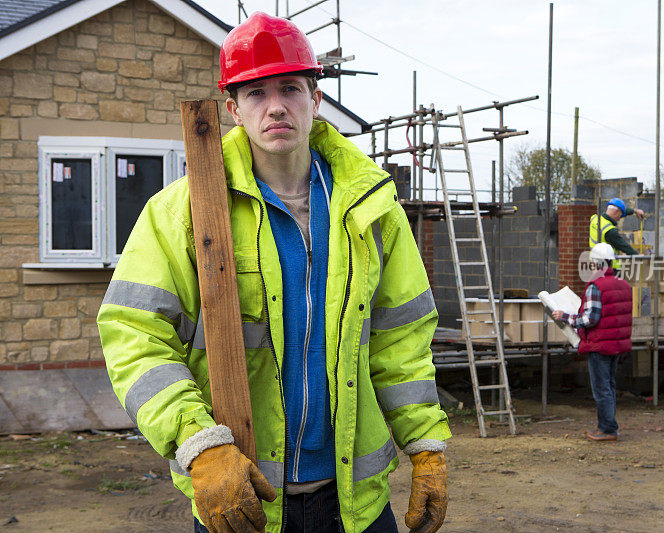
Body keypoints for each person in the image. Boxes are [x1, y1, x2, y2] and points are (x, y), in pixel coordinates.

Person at [97, 12, 450, 533]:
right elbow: (133, 334)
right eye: (257, 92)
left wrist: (425, 446)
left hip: (353, 503)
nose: (276, 105)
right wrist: (198, 444)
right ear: (233, 109)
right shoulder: (184, 212)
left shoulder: (373, 211)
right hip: (244, 498)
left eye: (290, 88)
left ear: (317, 100)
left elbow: (400, 340)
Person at [552, 243, 632, 442]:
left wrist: (566, 317)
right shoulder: (623, 283)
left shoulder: (595, 285)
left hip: (599, 345)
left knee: (601, 388)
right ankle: (609, 426)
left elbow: (590, 319)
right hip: (616, 344)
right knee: (610, 386)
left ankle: (607, 429)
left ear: (594, 263)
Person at [588, 198, 645, 270]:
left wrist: (634, 211)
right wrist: (638, 256)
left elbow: (618, 212)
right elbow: (623, 246)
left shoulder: (595, 218)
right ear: (617, 212)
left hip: (595, 264)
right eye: (620, 215)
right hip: (610, 267)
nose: (619, 218)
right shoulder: (609, 230)